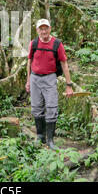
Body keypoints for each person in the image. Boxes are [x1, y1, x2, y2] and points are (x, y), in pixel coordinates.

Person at [25, 18, 74, 149]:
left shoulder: (57, 44)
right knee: (36, 108)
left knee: (52, 108)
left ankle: (50, 140)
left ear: (50, 29)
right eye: (41, 29)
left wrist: (69, 85)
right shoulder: (33, 43)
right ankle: (40, 136)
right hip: (35, 78)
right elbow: (29, 62)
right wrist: (28, 81)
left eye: (46, 28)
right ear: (37, 31)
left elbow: (64, 64)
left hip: (50, 78)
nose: (44, 31)